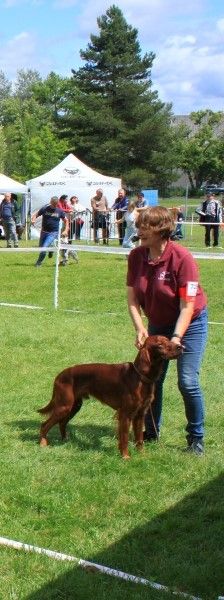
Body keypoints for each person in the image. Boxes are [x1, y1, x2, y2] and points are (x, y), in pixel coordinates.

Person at [126, 206, 208, 455]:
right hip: (158, 324)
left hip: (190, 324)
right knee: (151, 378)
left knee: (187, 381)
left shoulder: (182, 258)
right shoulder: (137, 256)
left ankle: (196, 439)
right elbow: (132, 298)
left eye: (145, 226)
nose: (139, 230)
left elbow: (187, 305)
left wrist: (175, 338)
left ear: (162, 230)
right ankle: (150, 432)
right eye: (139, 225)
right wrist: (141, 328)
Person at [31, 196, 69, 267]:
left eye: (56, 204)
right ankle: (51, 249)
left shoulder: (60, 211)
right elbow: (36, 214)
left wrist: (66, 230)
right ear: (50, 202)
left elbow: (66, 220)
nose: (54, 205)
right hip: (43, 232)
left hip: (53, 233)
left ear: (57, 203)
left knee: (44, 248)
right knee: (41, 247)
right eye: (53, 203)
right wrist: (33, 219)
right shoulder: (45, 209)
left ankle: (38, 263)